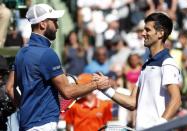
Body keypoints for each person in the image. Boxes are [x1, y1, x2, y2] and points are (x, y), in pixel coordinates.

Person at [5, 3, 114, 131]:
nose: (57, 26)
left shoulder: (21, 53)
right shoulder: (47, 54)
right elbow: (68, 92)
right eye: (54, 21)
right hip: (43, 125)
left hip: (26, 124)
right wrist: (96, 85)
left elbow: (9, 88)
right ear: (43, 24)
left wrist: (25, 108)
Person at [102, 12, 182, 130]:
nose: (143, 33)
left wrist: (158, 126)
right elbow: (132, 102)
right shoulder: (146, 64)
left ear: (160, 33)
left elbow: (176, 100)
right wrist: (106, 89)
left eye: (147, 30)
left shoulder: (167, 63)